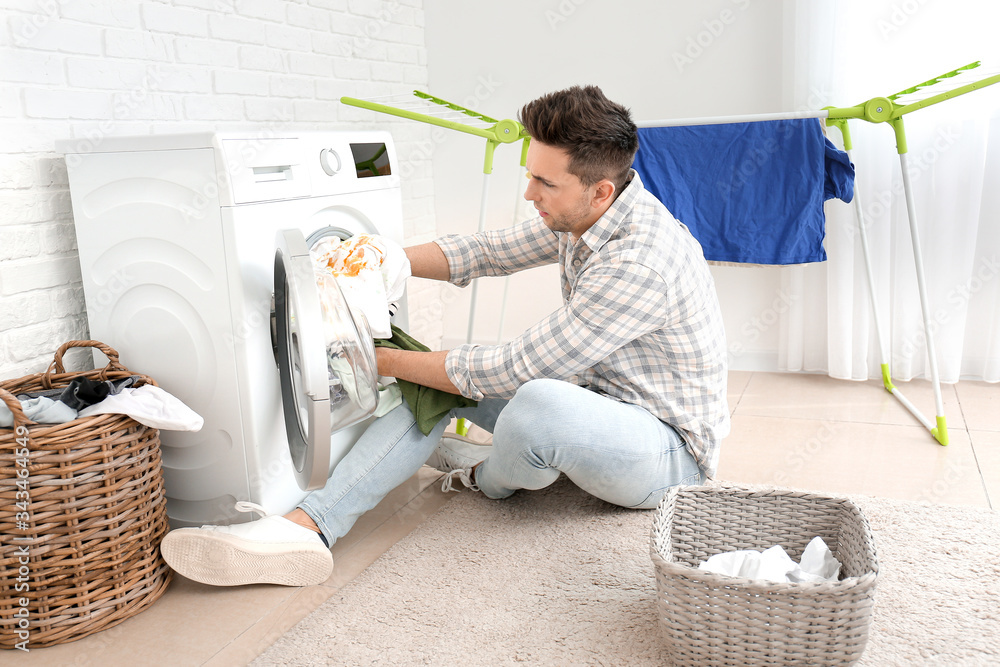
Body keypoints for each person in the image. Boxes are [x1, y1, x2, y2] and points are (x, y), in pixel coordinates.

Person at [161, 85, 730, 587]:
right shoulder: (585, 214)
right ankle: (305, 528)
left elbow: (516, 366)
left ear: (599, 190)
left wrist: (379, 361)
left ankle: (493, 477)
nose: (530, 193)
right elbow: (487, 252)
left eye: (542, 182)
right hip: (600, 405)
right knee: (436, 381)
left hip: (666, 453)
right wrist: (382, 259)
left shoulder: (639, 262)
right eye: (529, 174)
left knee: (533, 403)